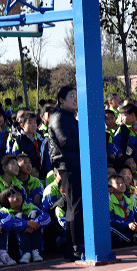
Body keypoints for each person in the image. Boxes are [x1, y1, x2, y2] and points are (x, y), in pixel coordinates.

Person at [48, 86, 83, 259]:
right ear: (61, 100)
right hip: (68, 165)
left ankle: (73, 247)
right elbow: (64, 140)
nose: (75, 99)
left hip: (76, 164)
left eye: (76, 96)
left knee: (75, 205)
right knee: (75, 205)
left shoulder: (71, 117)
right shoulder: (58, 117)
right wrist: (86, 141)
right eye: (71, 96)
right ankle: (77, 247)